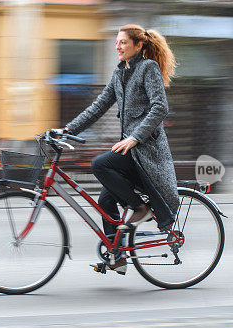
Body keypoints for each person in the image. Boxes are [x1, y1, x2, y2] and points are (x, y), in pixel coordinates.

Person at [56, 25, 179, 272]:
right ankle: (117, 257)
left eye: (123, 42)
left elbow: (160, 107)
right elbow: (98, 107)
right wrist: (67, 130)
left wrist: (134, 137)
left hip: (146, 152)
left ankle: (140, 208)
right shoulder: (120, 72)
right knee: (105, 201)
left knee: (100, 164)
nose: (118, 47)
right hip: (131, 150)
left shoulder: (148, 68)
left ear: (139, 45)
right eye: (117, 42)